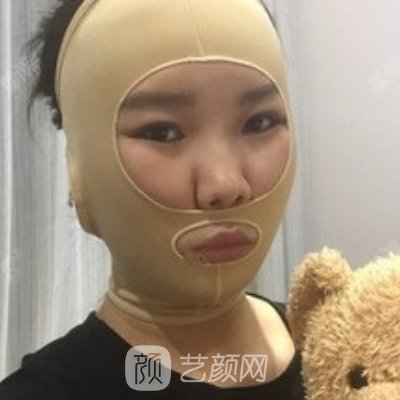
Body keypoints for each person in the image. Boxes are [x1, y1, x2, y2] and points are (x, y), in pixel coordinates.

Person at [0, 0, 305, 398]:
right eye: (162, 132)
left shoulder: (344, 354)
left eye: (259, 122)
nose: (226, 184)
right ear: (80, 171)